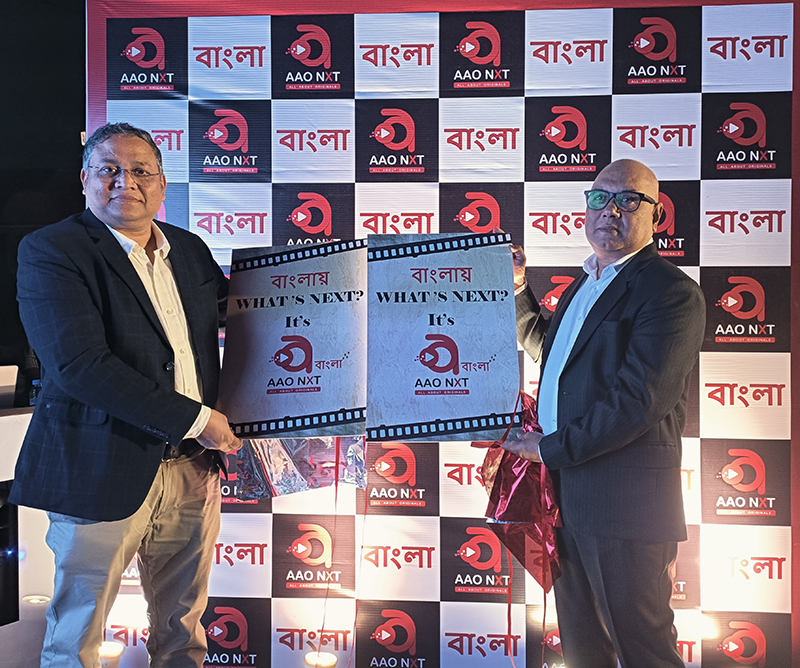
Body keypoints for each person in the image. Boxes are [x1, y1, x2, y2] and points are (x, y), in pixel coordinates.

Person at [11, 123, 242, 668]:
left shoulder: (189, 249)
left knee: (184, 629)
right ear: (84, 180)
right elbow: (79, 367)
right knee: (77, 637)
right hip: (98, 468)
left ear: (161, 185)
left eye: (140, 171)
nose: (125, 182)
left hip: (191, 470)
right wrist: (199, 420)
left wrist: (331, 296)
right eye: (109, 169)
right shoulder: (53, 250)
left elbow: (247, 317)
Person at [502, 159, 705, 667]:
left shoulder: (671, 291)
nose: (610, 211)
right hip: (564, 498)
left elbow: (639, 400)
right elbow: (550, 350)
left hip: (624, 508)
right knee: (583, 648)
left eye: (628, 200)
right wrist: (519, 287)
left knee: (644, 651)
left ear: (656, 215)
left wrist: (549, 448)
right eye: (599, 198)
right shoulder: (585, 283)